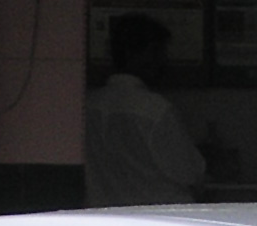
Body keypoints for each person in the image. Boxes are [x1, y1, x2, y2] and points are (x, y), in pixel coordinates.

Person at [85, 13, 207, 206]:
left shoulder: (89, 107)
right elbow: (191, 173)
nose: (164, 61)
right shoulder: (154, 110)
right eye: (160, 52)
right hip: (160, 219)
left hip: (105, 217)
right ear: (143, 53)